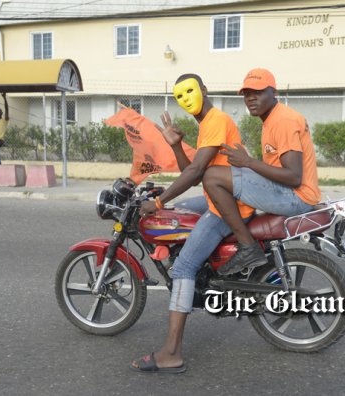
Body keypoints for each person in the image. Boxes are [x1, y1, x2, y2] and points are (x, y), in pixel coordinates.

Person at [130, 73, 255, 374]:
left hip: (230, 207)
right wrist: (176, 145)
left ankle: (171, 353)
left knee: (183, 267)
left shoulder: (216, 120)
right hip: (224, 197)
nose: (185, 99)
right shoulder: (207, 124)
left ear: (204, 89)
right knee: (180, 210)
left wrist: (157, 203)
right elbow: (197, 174)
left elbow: (196, 170)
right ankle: (205, 265)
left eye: (190, 91)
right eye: (179, 96)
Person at [203, 68, 321, 276]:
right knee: (225, 176)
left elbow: (294, 177)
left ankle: (248, 247)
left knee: (212, 177)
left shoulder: (283, 120)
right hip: (289, 192)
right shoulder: (273, 118)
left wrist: (248, 163)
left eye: (257, 92)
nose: (251, 98)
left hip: (296, 197)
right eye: (247, 94)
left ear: (273, 92)